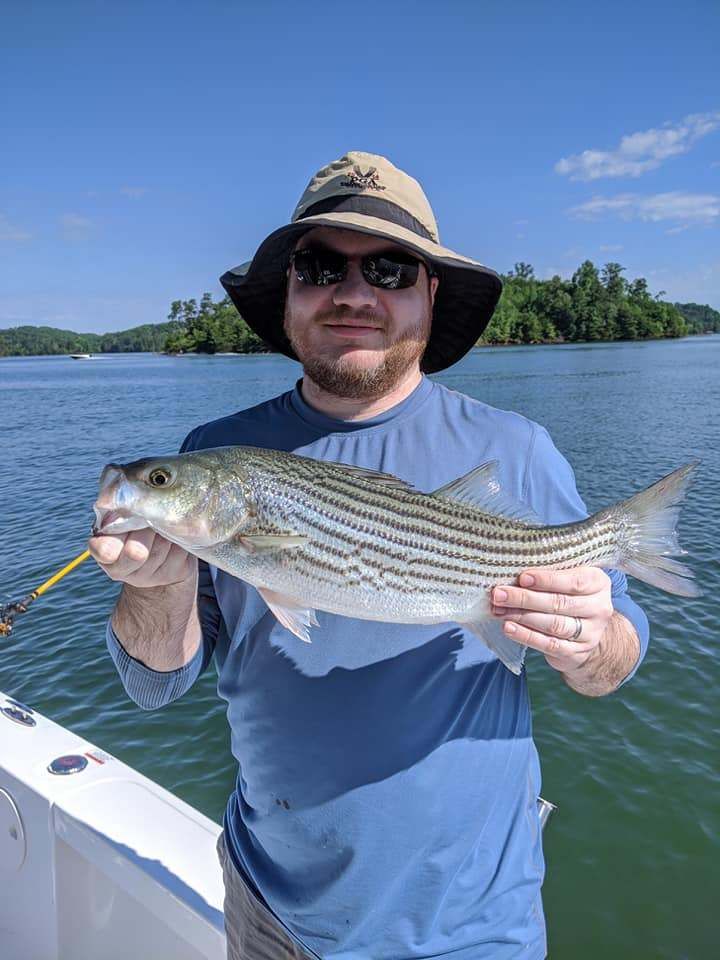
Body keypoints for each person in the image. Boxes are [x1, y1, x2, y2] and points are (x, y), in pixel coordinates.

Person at [88, 151, 648, 960]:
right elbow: (153, 684)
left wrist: (594, 643)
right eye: (320, 266)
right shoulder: (217, 452)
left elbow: (618, 659)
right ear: (288, 292)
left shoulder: (516, 448)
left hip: (469, 925)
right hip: (269, 908)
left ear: (430, 294)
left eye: (389, 268)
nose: (354, 294)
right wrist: (152, 590)